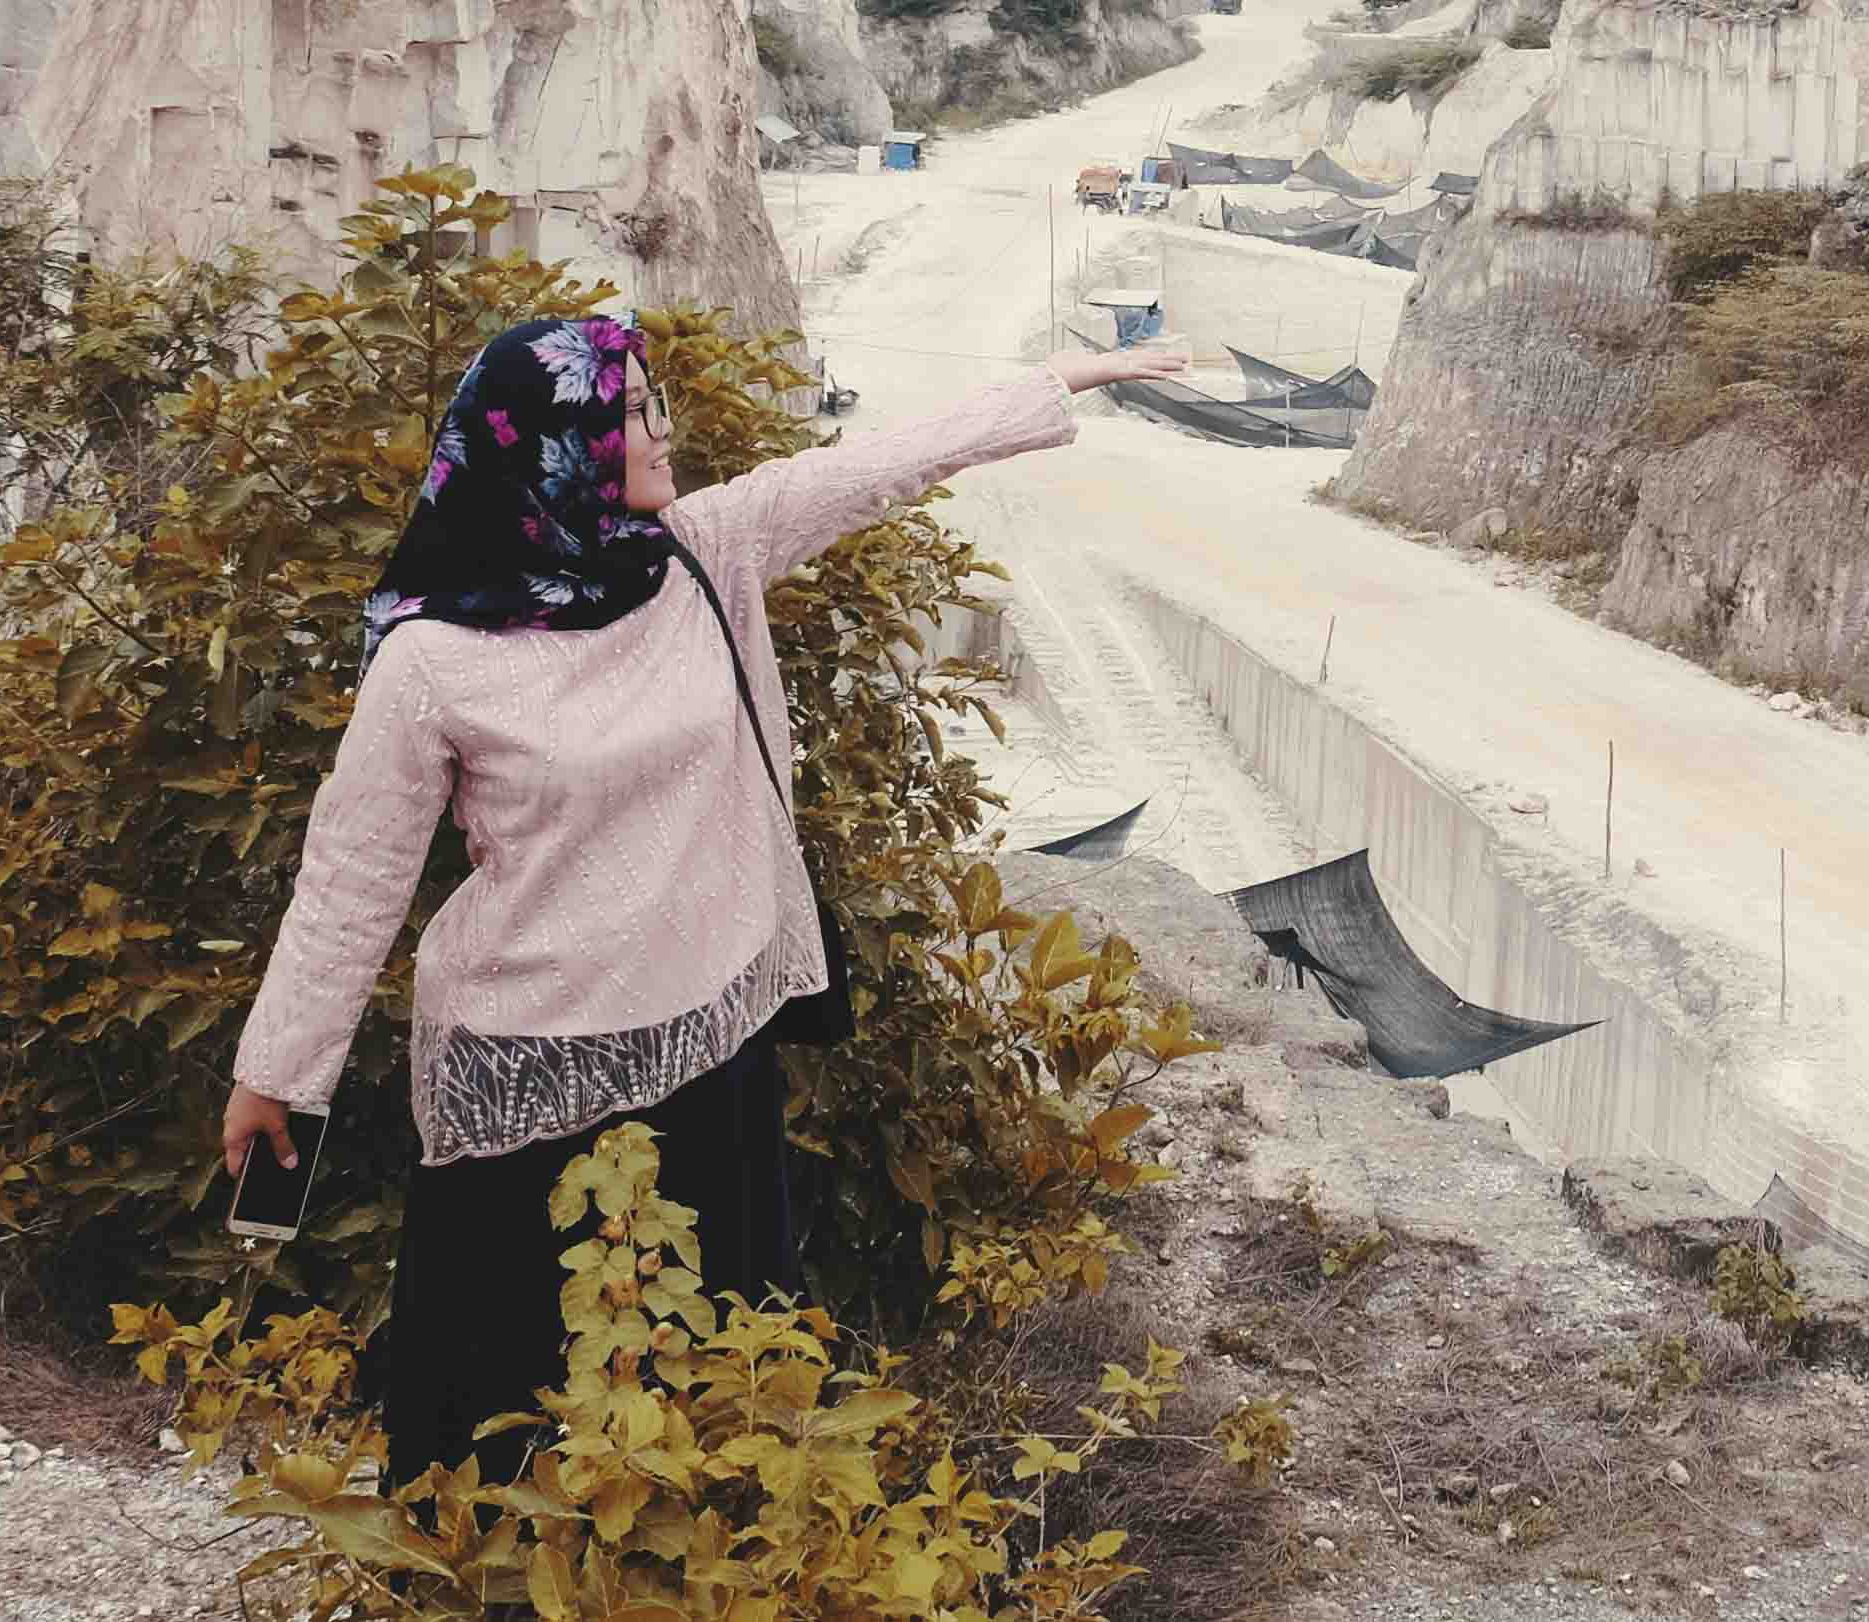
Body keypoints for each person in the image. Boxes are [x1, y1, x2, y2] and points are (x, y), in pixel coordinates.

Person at [218, 318, 1181, 1489]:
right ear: (553, 444)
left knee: (717, 1385)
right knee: (502, 1403)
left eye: (654, 402)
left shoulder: (696, 555)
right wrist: (279, 1069)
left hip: (708, 1052)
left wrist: (1050, 382)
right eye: (629, 411)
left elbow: (874, 465)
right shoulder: (433, 658)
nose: (661, 429)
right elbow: (352, 877)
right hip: (531, 1071)